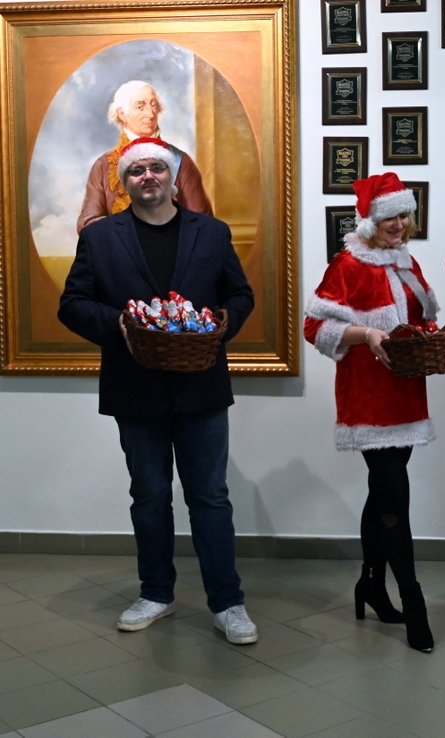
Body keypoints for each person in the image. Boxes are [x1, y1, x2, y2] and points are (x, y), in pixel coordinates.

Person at [58, 137, 258, 644]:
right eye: (136, 170)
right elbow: (73, 304)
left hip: (201, 385)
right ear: (124, 183)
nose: (147, 176)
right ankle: (156, 593)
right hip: (135, 387)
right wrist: (119, 325)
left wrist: (219, 325)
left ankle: (228, 602)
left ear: (172, 177)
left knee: (210, 497)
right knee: (148, 495)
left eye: (156, 168)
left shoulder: (211, 232)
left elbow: (240, 295)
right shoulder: (99, 238)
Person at [304, 172, 437, 653]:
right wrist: (366, 334)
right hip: (367, 397)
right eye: (388, 218)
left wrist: (431, 334)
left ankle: (371, 584)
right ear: (369, 221)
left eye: (403, 215)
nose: (398, 224)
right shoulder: (348, 263)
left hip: (405, 393)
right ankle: (413, 601)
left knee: (382, 495)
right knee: (395, 498)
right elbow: (314, 326)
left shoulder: (406, 261)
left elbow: (421, 320)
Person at [77, 80, 212, 233]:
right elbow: (87, 223)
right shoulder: (103, 165)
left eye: (153, 105)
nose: (150, 114)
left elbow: (202, 223)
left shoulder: (180, 160)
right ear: (122, 114)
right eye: (140, 107)